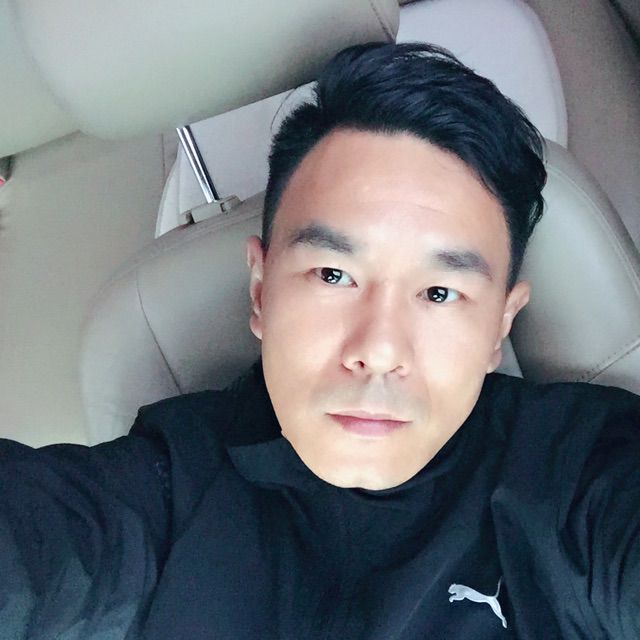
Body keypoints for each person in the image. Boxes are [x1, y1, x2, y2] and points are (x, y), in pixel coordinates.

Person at [1, 42, 638, 640]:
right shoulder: (163, 495)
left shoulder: (577, 476)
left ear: (501, 325)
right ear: (260, 292)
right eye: (333, 275)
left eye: (441, 292)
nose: (379, 350)